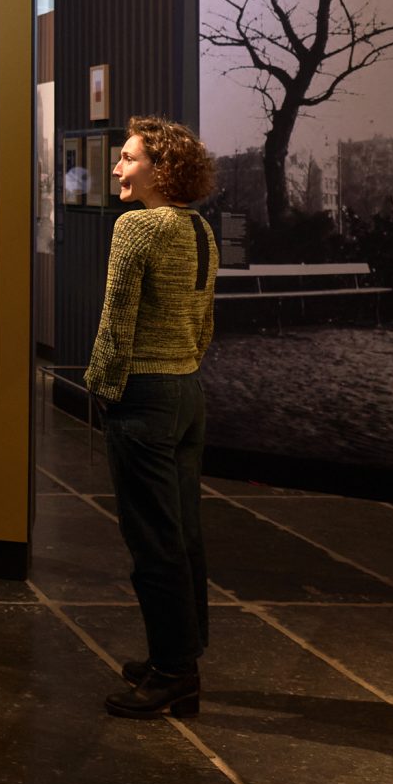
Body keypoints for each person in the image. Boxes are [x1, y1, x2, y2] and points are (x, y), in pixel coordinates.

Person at [85, 115, 219, 720]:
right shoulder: (200, 230)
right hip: (187, 391)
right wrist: (184, 366)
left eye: (130, 159)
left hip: (143, 394)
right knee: (183, 531)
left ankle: (172, 672)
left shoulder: (136, 228)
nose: (117, 168)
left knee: (151, 539)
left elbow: (116, 321)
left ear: (160, 171)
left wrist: (101, 387)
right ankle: (181, 652)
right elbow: (205, 321)